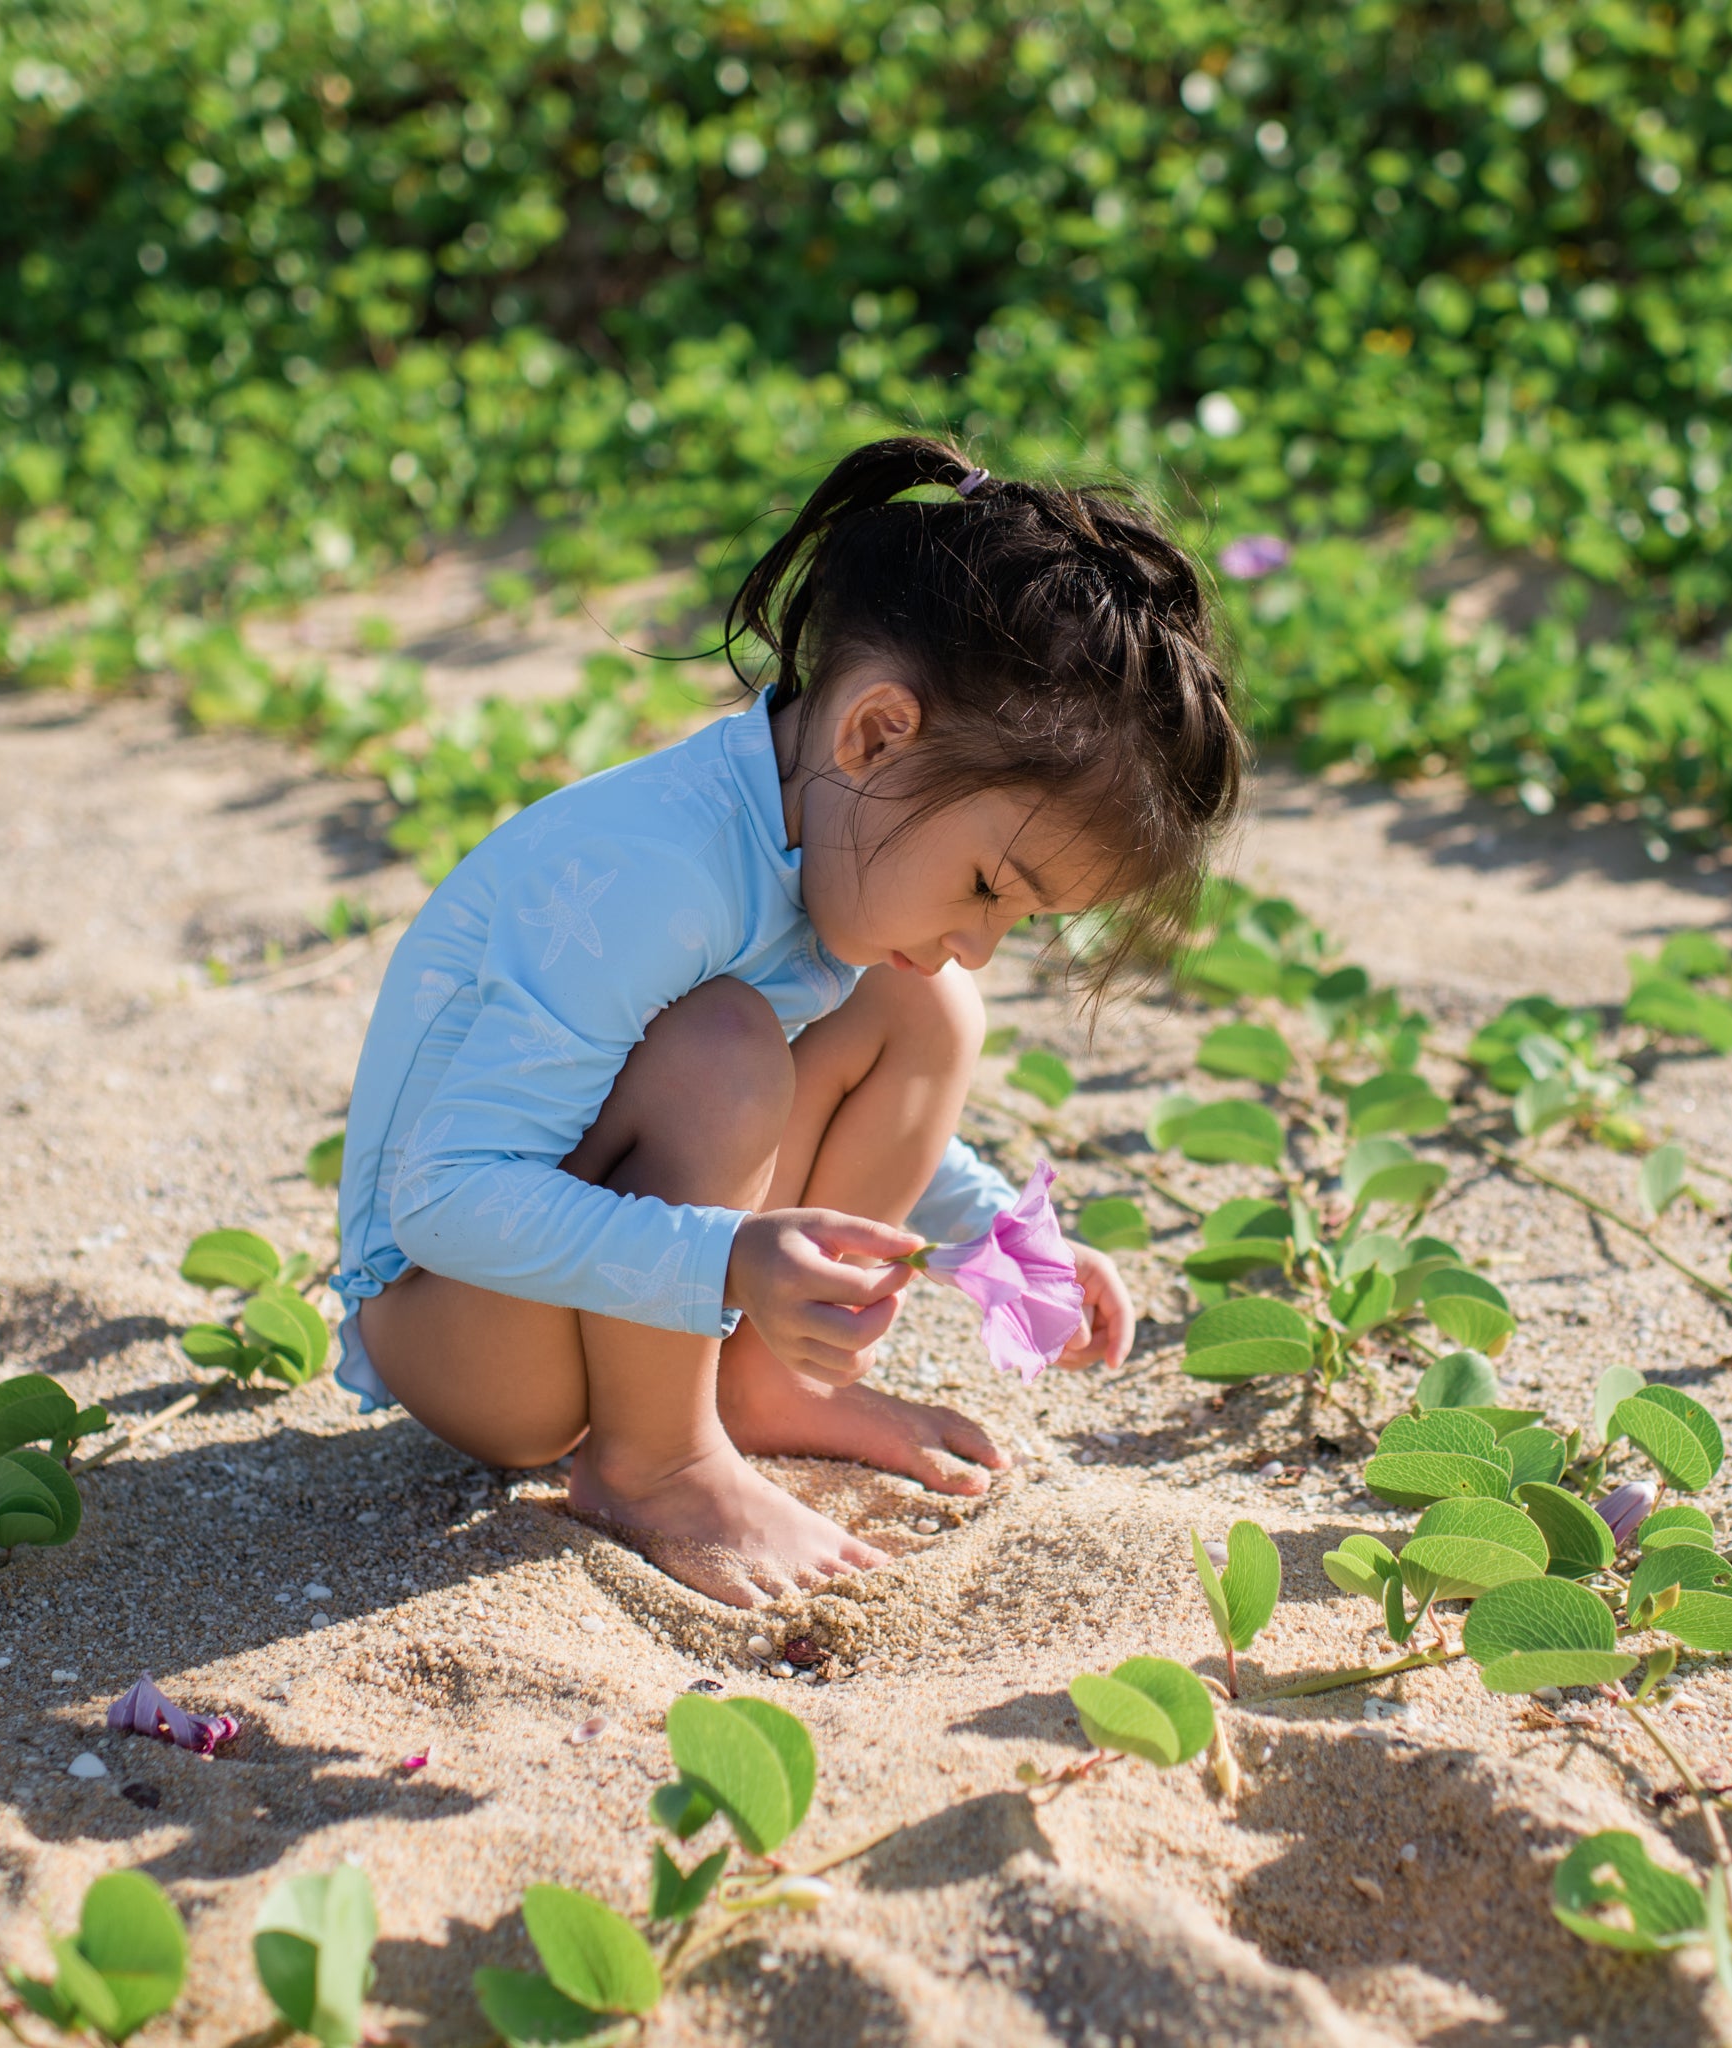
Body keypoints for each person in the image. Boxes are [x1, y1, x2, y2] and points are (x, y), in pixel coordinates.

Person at [332, 435, 1245, 1607]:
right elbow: (444, 1197)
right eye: (984, 886)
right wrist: (722, 1256)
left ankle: (763, 1388)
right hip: (466, 1330)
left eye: (1019, 916)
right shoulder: (659, 873)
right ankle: (654, 1460)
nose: (981, 937)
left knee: (926, 1005)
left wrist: (986, 1237)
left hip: (585, 1277)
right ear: (874, 733)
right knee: (720, 1049)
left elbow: (829, 1083)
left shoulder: (817, 833)